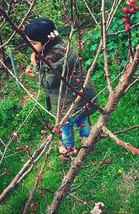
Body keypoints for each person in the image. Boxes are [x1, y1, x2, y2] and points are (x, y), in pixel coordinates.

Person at [24, 18, 98, 161]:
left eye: (33, 43)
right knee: (83, 119)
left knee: (65, 125)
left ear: (46, 40)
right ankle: (88, 142)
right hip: (81, 95)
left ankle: (68, 150)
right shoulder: (61, 45)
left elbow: (47, 83)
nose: (31, 46)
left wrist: (35, 66)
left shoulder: (54, 59)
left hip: (67, 101)